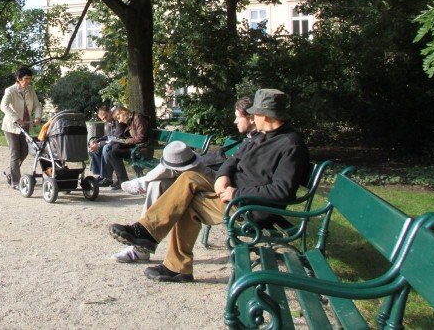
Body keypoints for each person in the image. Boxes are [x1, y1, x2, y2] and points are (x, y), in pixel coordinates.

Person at [108, 89, 310, 282]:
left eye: (254, 114)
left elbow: (282, 191)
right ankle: (151, 238)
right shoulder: (261, 136)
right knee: (188, 178)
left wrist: (236, 192)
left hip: (249, 206)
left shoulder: (290, 145)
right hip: (232, 193)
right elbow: (233, 160)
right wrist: (223, 176)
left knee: (186, 199)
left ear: (265, 116)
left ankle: (167, 256)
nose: (252, 117)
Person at [111, 96, 256, 263]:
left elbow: (252, 176)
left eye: (238, 116)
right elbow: (234, 161)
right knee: (159, 183)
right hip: (219, 177)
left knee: (181, 161)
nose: (235, 120)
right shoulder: (254, 138)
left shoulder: (266, 141)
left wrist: (227, 179)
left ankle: (143, 182)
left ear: (253, 117)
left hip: (224, 186)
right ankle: (141, 247)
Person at [0, 66, 42, 190]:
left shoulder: (30, 90)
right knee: (14, 153)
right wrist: (16, 118)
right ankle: (16, 182)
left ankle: (10, 171)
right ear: (18, 79)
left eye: (30, 79)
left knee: (24, 151)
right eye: (26, 79)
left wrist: (38, 117)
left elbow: (37, 105)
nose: (28, 81)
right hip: (11, 126)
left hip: (25, 125)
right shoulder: (10, 90)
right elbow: (4, 106)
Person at [102, 106, 149, 190]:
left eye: (119, 117)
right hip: (138, 147)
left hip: (143, 149)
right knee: (112, 150)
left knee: (113, 153)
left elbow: (141, 137)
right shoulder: (132, 119)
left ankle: (122, 180)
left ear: (123, 112)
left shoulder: (137, 118)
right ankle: (121, 180)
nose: (119, 121)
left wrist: (127, 141)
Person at [88, 106, 127, 185]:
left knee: (106, 148)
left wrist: (99, 144)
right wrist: (96, 141)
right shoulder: (108, 122)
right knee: (95, 149)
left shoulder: (117, 119)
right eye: (102, 119)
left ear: (109, 111)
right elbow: (107, 136)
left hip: (123, 142)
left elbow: (117, 137)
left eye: (105, 117)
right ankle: (102, 175)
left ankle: (107, 178)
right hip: (114, 143)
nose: (104, 120)